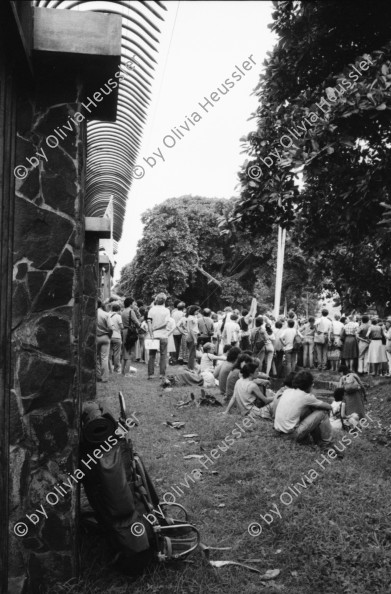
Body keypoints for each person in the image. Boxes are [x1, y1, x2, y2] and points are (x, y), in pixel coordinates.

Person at [274, 371, 342, 455]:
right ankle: (326, 444)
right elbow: (328, 407)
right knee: (323, 412)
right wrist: (312, 393)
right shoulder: (305, 396)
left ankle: (317, 440)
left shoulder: (287, 391)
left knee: (310, 409)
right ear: (309, 385)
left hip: (278, 431)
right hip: (291, 435)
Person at [147, 292, 171, 380]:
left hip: (154, 335)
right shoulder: (167, 310)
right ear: (165, 301)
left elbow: (149, 322)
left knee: (151, 355)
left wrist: (151, 332)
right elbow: (165, 324)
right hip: (163, 335)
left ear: (156, 300)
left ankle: (150, 374)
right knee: (163, 355)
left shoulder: (151, 310)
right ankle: (162, 374)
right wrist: (156, 329)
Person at [121, 296, 141, 375]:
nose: (134, 305)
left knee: (125, 352)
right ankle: (127, 373)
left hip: (124, 331)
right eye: (133, 303)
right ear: (130, 304)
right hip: (130, 332)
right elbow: (136, 322)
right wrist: (139, 325)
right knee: (129, 352)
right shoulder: (131, 311)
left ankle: (123, 371)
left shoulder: (123, 311)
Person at [96, 299, 114, 383]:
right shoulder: (106, 314)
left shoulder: (92, 314)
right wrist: (109, 336)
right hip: (105, 337)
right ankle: (105, 378)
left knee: (95, 357)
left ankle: (97, 376)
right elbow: (111, 328)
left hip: (95, 337)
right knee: (104, 358)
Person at [109, 303, 123, 374]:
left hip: (109, 336)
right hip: (117, 336)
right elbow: (121, 326)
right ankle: (116, 368)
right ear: (118, 310)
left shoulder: (107, 315)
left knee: (109, 353)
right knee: (117, 353)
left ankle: (109, 369)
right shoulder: (118, 316)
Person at [185, 305, 200, 370]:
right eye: (197, 311)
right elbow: (191, 329)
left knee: (193, 352)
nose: (198, 312)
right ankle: (191, 367)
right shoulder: (190, 318)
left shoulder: (193, 317)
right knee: (192, 353)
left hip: (194, 334)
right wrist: (195, 339)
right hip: (192, 335)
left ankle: (192, 366)